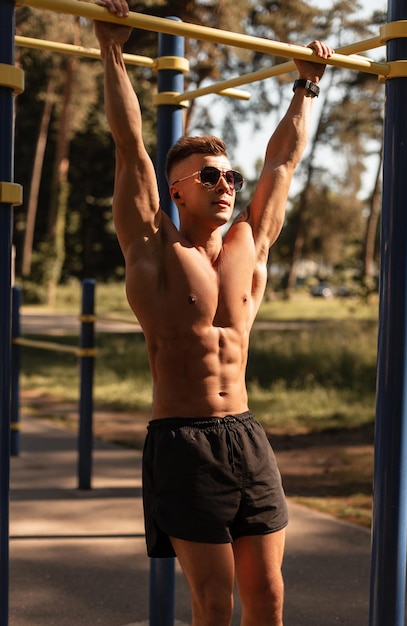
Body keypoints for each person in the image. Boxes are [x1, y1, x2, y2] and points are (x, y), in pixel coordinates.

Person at [94, 3, 333, 624]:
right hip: (183, 441)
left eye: (229, 175)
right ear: (176, 190)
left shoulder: (249, 245)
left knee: (270, 596)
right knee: (213, 603)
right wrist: (112, 50)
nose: (225, 183)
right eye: (209, 176)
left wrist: (307, 84)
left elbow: (282, 162)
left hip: (246, 435)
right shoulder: (155, 248)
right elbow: (129, 150)